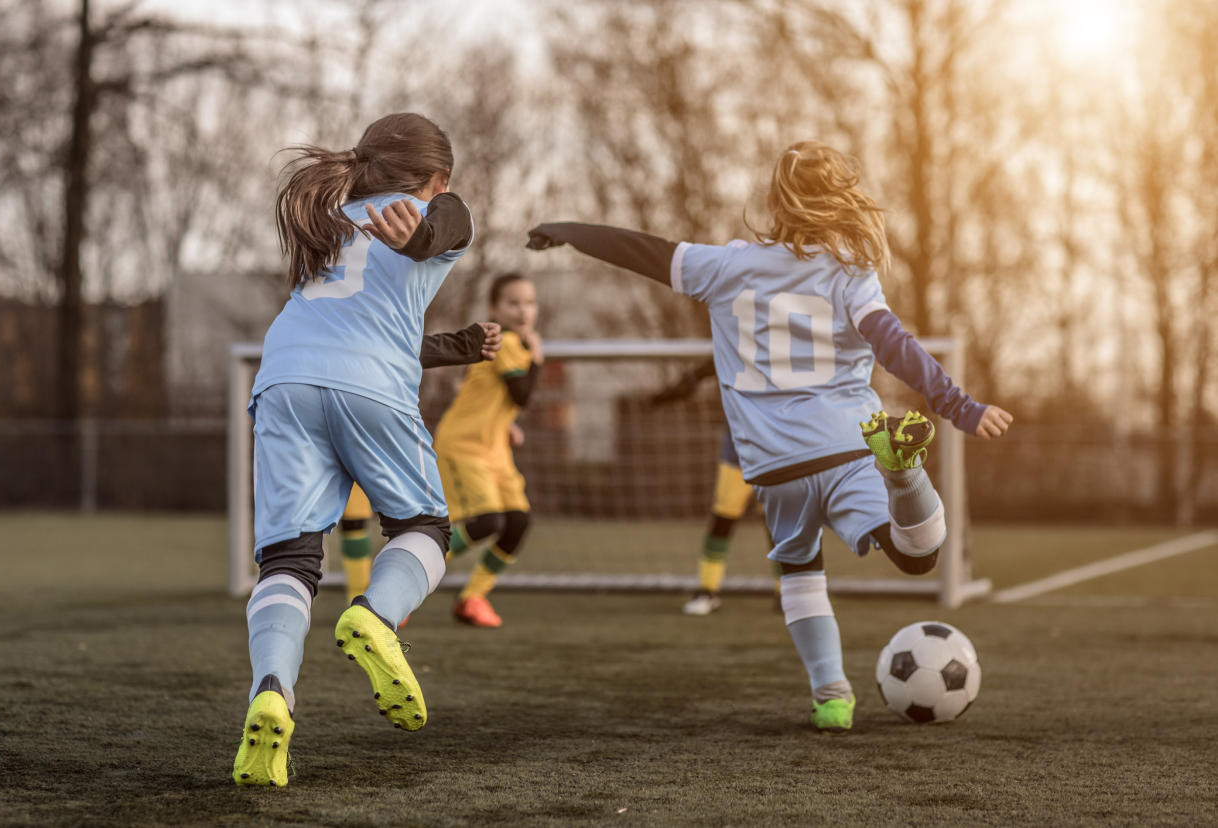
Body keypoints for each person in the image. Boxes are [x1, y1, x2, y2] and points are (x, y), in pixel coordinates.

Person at [526, 141, 1013, 733]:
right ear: (840, 200)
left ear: (775, 202)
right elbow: (893, 343)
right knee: (918, 557)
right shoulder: (850, 273)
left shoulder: (726, 265)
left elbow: (643, 250)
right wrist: (957, 406)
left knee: (801, 574)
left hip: (775, 465)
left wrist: (570, 230)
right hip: (848, 444)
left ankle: (832, 697)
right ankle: (903, 473)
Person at [234, 112, 474, 787]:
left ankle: (271, 693)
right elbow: (449, 224)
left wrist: (456, 344)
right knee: (423, 528)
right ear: (440, 178)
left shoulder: (326, 220)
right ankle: (374, 615)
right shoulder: (434, 208)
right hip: (370, 385)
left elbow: (364, 322)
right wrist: (425, 234)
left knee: (287, 559)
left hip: (283, 379)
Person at [339, 323, 502, 603]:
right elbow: (398, 348)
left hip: (359, 417)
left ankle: (372, 595)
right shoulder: (367, 315)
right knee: (425, 525)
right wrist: (464, 344)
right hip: (364, 417)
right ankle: (373, 596)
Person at [433, 272, 544, 628]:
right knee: (487, 522)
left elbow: (489, 396)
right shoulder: (508, 341)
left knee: (517, 522)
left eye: (529, 303)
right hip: (464, 446)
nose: (523, 311)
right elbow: (521, 394)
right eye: (513, 303)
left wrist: (504, 425)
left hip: (493, 448)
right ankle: (403, 581)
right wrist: (539, 360)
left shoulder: (511, 346)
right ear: (495, 308)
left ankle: (472, 598)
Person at [648, 360, 782, 616]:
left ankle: (787, 593)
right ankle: (707, 590)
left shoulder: (784, 342)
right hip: (739, 449)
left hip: (778, 448)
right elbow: (708, 366)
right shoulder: (734, 339)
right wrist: (684, 384)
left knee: (778, 524)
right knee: (723, 518)